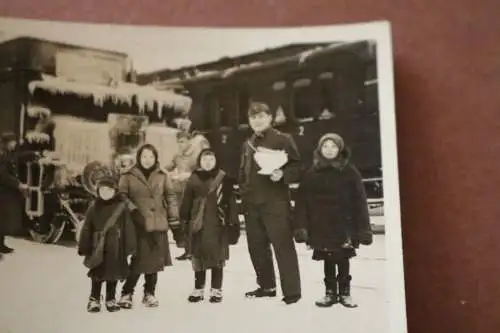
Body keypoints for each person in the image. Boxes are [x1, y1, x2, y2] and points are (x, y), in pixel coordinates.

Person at [293, 133, 373, 308]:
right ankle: (330, 293)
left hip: (344, 225)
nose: (329, 150)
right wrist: (301, 227)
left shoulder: (350, 172)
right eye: (326, 146)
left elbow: (360, 201)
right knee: (328, 258)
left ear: (340, 149)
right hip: (321, 225)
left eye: (333, 146)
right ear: (320, 149)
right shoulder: (311, 174)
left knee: (343, 258)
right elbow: (302, 202)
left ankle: (345, 293)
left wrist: (363, 229)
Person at [238, 101, 303, 305]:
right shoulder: (247, 143)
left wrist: (282, 174)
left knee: (282, 246)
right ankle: (267, 286)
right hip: (252, 204)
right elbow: (244, 172)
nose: (257, 120)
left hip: (275, 203)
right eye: (253, 117)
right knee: (256, 247)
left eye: (261, 116)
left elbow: (298, 166)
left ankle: (292, 293)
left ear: (269, 117)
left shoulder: (282, 139)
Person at [117, 144, 180, 309]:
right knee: (139, 259)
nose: (147, 160)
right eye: (144, 156)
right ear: (139, 157)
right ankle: (127, 292)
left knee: (154, 260)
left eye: (151, 157)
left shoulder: (162, 175)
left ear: (155, 158)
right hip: (137, 223)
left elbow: (171, 196)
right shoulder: (128, 175)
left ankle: (149, 293)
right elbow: (121, 195)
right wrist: (132, 210)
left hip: (157, 222)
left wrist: (174, 220)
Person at [180, 149, 240, 303]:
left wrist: (233, 223)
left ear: (216, 162)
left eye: (211, 160)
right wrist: (184, 221)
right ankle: (198, 289)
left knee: (217, 259)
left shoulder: (223, 179)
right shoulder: (193, 178)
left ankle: (216, 290)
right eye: (204, 159)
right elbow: (186, 202)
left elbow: (231, 203)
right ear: (199, 162)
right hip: (198, 225)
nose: (207, 162)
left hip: (218, 225)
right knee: (198, 258)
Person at [77, 175, 137, 313]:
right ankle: (94, 298)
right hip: (97, 245)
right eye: (102, 190)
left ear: (115, 191)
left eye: (109, 190)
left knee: (113, 274)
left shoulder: (121, 208)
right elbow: (87, 228)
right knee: (97, 273)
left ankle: (110, 298)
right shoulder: (93, 207)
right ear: (97, 191)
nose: (105, 193)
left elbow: (128, 228)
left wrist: (130, 247)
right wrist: (84, 247)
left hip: (116, 246)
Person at [166, 131, 199, 260]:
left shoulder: (195, 156)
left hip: (191, 192)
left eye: (183, 141)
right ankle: (187, 249)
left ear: (189, 141)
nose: (180, 144)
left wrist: (186, 176)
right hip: (179, 192)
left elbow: (200, 172)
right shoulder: (178, 156)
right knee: (182, 221)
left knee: (191, 221)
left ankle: (192, 250)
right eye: (178, 142)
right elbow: (169, 166)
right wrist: (160, 170)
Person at [0, 133, 31, 254]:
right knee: (2, 218)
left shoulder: (9, 154)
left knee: (3, 220)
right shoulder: (2, 155)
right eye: (12, 142)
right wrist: (17, 184)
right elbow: (2, 175)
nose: (15, 144)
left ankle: (1, 244)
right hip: (2, 192)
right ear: (6, 143)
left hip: (6, 192)